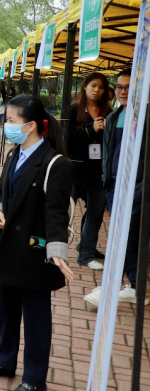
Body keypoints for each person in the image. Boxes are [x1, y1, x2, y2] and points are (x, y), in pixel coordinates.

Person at [0, 95, 74, 391]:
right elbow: (1, 191)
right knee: (7, 311)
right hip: (9, 248)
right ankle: (4, 361)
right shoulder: (14, 154)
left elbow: (56, 212)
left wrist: (57, 250)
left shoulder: (55, 163)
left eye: (11, 121)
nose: (6, 125)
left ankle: (34, 378)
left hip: (33, 253)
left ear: (30, 126)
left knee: (35, 319)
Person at [84, 69, 148, 307]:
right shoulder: (112, 118)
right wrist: (106, 181)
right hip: (114, 185)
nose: (123, 91)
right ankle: (134, 286)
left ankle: (110, 286)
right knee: (128, 236)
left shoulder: (145, 117)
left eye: (128, 87)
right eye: (119, 87)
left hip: (137, 187)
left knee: (122, 235)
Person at [65, 72, 110, 270]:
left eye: (101, 86)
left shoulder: (108, 112)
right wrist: (91, 130)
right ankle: (53, 250)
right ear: (85, 86)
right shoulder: (73, 110)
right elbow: (67, 141)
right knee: (65, 210)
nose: (96, 90)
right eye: (93, 85)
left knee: (95, 212)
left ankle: (86, 251)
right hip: (75, 170)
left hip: (98, 171)